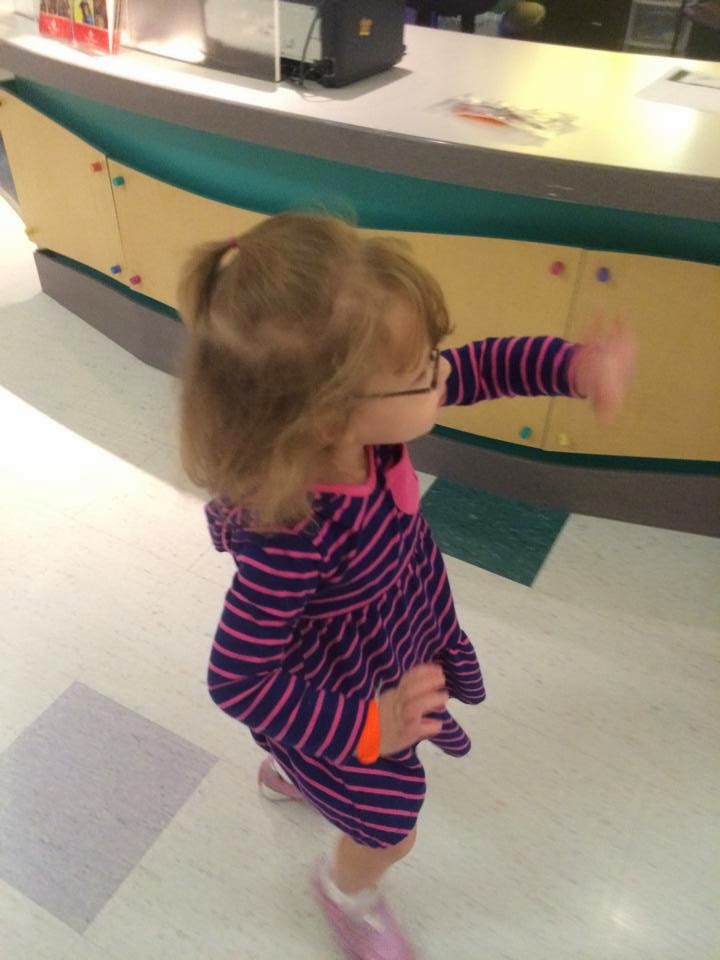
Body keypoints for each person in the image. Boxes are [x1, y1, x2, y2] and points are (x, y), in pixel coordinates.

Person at [178, 213, 635, 960]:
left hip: (392, 634)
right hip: (346, 695)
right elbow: (237, 679)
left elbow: (483, 367)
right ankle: (345, 893)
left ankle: (294, 770)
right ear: (328, 416)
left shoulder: (367, 423)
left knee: (332, 764)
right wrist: (369, 729)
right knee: (391, 828)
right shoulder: (291, 535)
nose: (444, 374)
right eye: (424, 370)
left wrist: (574, 368)